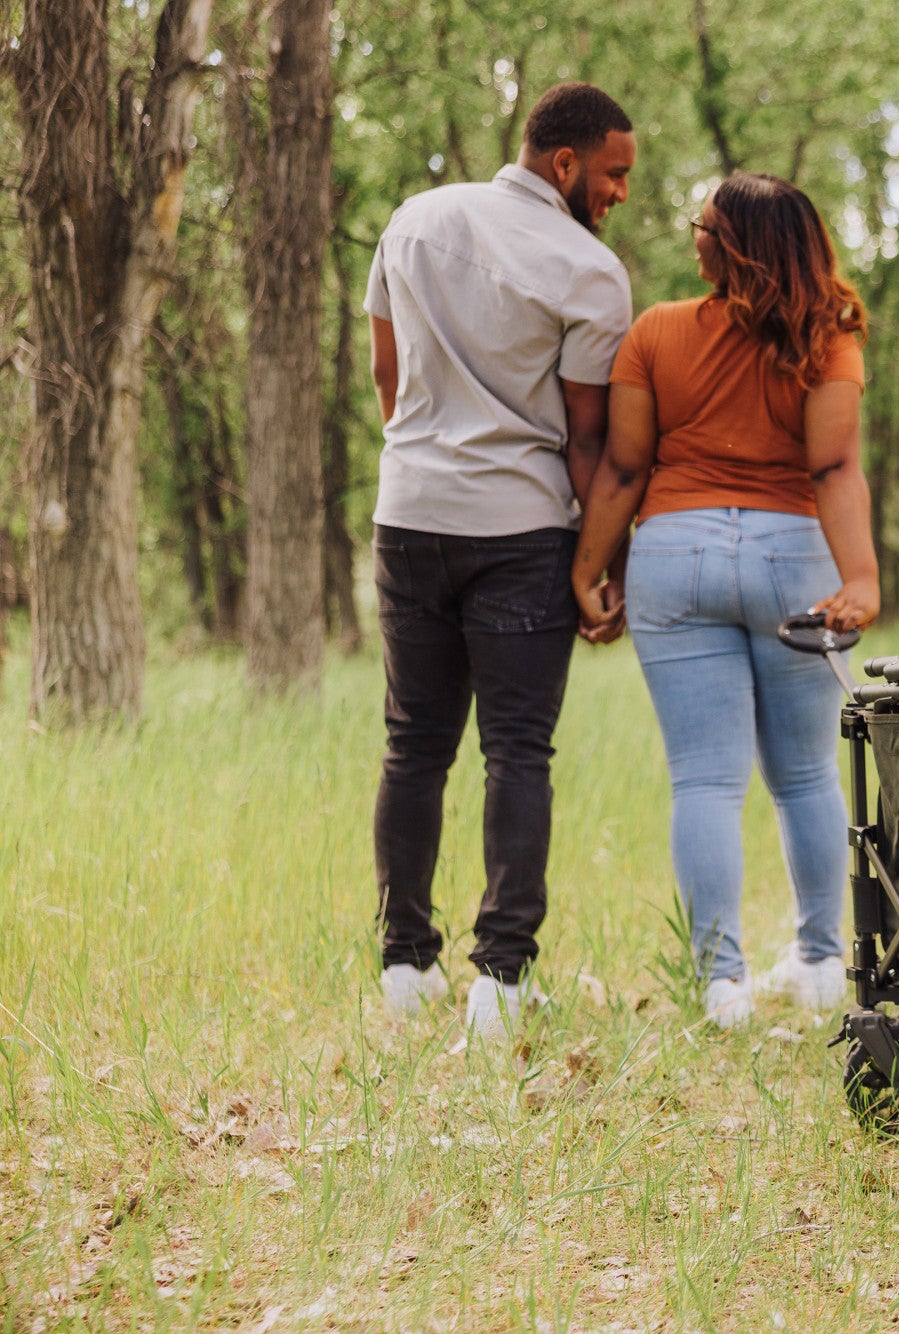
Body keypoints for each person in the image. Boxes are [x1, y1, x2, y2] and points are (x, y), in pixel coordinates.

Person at [570, 173, 877, 1029]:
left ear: (736, 243)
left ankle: (722, 984)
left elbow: (625, 468)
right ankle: (819, 964)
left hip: (677, 553)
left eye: (701, 224)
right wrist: (860, 578)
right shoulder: (831, 336)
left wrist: (592, 567)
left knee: (704, 780)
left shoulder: (656, 333)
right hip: (792, 556)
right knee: (807, 773)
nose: (692, 237)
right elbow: (833, 467)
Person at [366, 82, 636, 1039]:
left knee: (414, 744)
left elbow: (387, 377)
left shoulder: (414, 219)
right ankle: (502, 983)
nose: (619, 194)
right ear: (564, 163)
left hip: (409, 514)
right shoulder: (590, 271)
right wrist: (604, 566)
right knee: (517, 751)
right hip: (523, 531)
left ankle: (405, 967)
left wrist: (429, 451)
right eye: (613, 174)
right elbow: (586, 441)